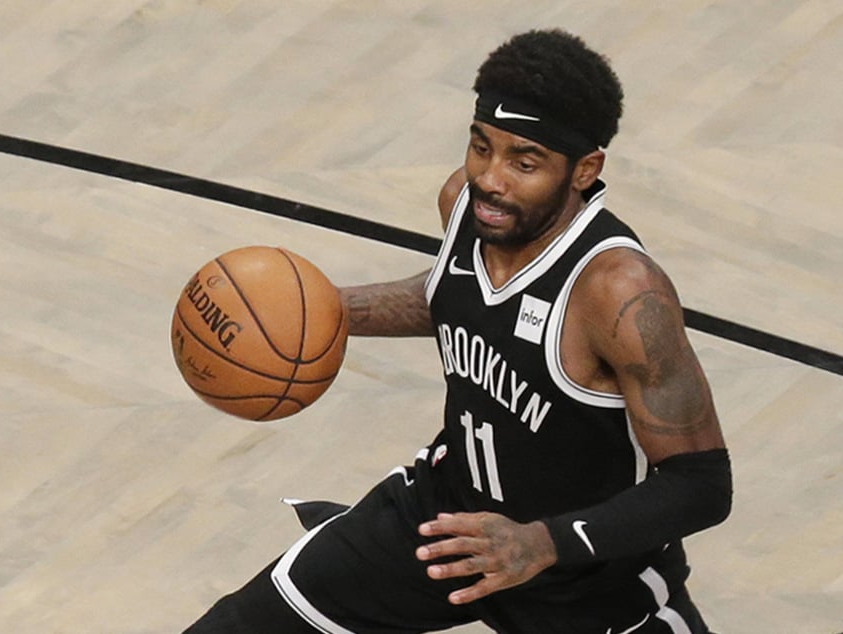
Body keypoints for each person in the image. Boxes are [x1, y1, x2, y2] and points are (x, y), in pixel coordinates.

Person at [183, 28, 732, 634]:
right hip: (445, 520)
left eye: (525, 161)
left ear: (585, 170)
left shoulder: (619, 291)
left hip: (583, 582)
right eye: (481, 147)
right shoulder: (469, 208)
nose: (491, 179)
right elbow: (453, 293)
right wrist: (323, 313)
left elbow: (701, 485)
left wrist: (540, 544)